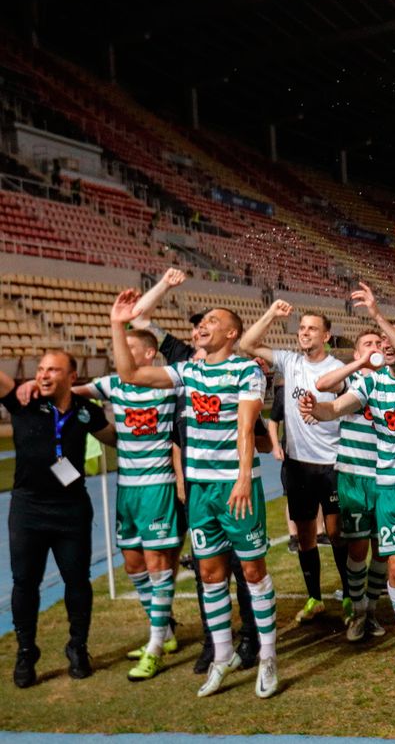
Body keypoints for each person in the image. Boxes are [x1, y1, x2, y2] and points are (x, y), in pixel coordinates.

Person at [109, 290, 280, 699]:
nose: (202, 326)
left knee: (254, 572)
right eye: (201, 324)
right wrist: (118, 325)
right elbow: (130, 375)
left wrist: (242, 477)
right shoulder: (190, 371)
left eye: (212, 322)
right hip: (200, 489)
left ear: (232, 333)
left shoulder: (245, 370)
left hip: (236, 486)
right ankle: (221, 656)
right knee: (209, 575)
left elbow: (245, 426)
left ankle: (269, 656)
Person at [303, 289, 395, 667]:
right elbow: (335, 407)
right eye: (381, 341)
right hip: (389, 488)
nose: (385, 346)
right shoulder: (371, 384)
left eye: (390, 340)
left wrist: (379, 315)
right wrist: (314, 409)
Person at [2, 351, 116, 688]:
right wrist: (23, 384)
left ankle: (78, 647)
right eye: (40, 369)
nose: (44, 375)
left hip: (71, 509)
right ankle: (26, 652)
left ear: (71, 375)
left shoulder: (85, 412)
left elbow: (115, 438)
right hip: (28, 510)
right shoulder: (23, 401)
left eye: (53, 369)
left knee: (77, 581)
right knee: (24, 582)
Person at [239, 301, 349, 624]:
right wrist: (271, 314)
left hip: (332, 463)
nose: (304, 333)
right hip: (298, 465)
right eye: (301, 328)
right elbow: (247, 344)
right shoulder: (289, 361)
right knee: (304, 535)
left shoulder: (335, 367)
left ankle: (349, 597)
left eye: (312, 328)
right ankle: (314, 597)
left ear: (326, 335)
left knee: (336, 531)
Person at [84, 330, 183, 682]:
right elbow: (71, 394)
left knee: (158, 565)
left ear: (149, 353)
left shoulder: (170, 385)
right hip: (126, 488)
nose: (120, 354)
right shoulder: (112, 385)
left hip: (157, 488)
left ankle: (155, 645)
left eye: (128, 348)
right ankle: (167, 633)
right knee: (133, 564)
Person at [313, 330, 392, 641]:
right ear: (358, 352)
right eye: (367, 344)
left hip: (387, 474)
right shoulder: (352, 381)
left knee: (383, 549)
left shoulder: (391, 380)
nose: (374, 348)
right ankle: (358, 612)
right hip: (354, 475)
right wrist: (359, 362)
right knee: (357, 548)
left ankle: (370, 610)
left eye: (378, 343)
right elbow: (323, 385)